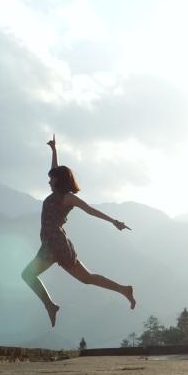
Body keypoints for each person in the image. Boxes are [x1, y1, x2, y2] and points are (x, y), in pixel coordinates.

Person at [21, 135, 136, 327]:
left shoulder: (68, 198)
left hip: (55, 245)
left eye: (52, 179)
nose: (49, 181)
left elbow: (90, 210)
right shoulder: (56, 193)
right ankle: (124, 290)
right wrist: (54, 151)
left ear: (58, 181)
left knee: (28, 275)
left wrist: (114, 221)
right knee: (87, 278)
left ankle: (50, 306)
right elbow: (55, 170)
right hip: (50, 244)